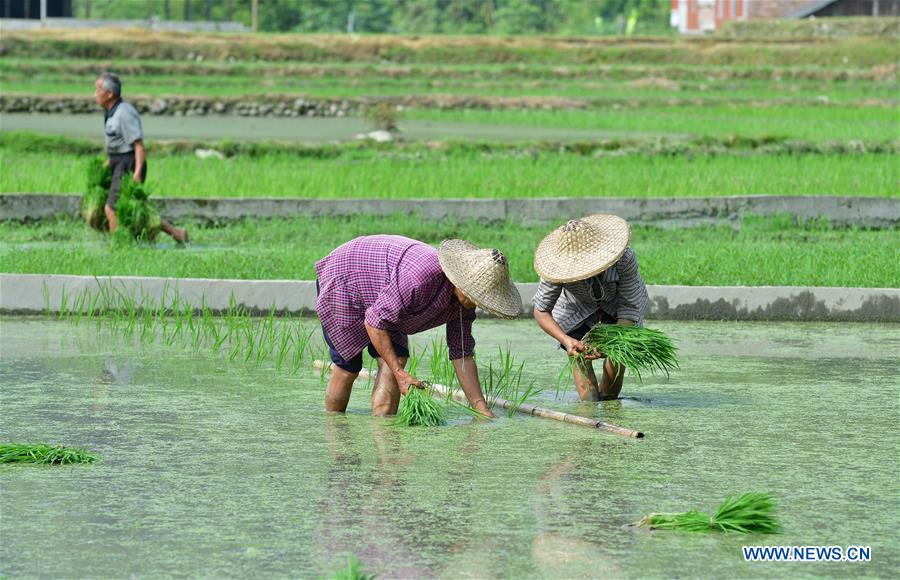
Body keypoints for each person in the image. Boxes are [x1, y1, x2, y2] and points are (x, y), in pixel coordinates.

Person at [315, 235, 522, 418]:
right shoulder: (420, 279)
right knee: (348, 366)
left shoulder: (464, 304)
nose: (476, 302)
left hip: (385, 287)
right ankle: (336, 431)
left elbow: (462, 353)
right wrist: (400, 374)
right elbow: (374, 322)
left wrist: (480, 408)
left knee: (396, 359)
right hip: (346, 277)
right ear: (459, 280)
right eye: (475, 294)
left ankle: (384, 438)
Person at [532, 215, 649, 401]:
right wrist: (566, 340)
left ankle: (610, 402)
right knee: (580, 358)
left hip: (617, 309)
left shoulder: (623, 258)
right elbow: (541, 310)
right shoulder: (554, 267)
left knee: (617, 355)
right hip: (575, 311)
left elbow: (629, 307)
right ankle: (590, 409)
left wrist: (611, 340)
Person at [93, 72, 188, 242]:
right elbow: (116, 142)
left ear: (109, 94)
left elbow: (138, 145)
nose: (94, 94)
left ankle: (118, 246)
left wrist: (136, 172)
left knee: (111, 208)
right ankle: (178, 234)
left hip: (128, 163)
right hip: (117, 161)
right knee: (139, 209)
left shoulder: (124, 113)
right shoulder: (110, 112)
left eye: (97, 90)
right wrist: (108, 164)